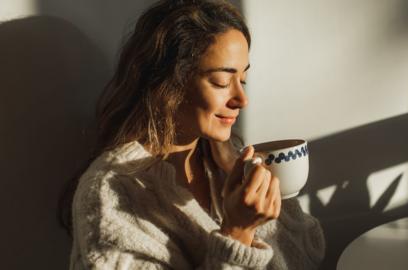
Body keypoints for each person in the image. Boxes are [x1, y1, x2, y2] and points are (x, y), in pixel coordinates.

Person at [62, 0, 325, 269]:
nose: (241, 99)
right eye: (221, 82)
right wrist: (237, 234)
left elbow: (308, 257)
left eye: (242, 80)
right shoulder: (111, 194)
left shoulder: (225, 159)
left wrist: (279, 199)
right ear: (169, 83)